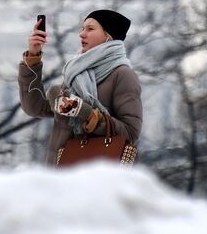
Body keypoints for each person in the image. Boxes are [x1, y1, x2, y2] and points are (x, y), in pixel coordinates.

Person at [18, 9, 143, 166]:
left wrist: (87, 114)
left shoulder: (123, 75)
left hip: (95, 177)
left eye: (90, 29)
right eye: (82, 29)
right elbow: (34, 108)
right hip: (60, 172)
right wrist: (33, 56)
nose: (82, 34)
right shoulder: (77, 72)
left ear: (108, 36)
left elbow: (130, 133)